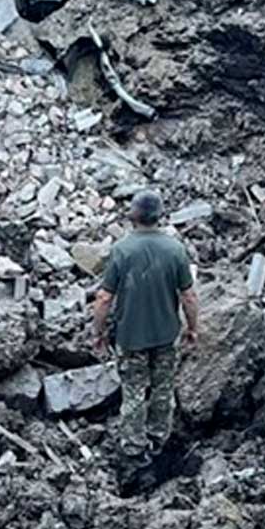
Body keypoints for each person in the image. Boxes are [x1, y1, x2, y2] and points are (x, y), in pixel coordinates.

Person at [91, 189, 200, 462]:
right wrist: (192, 327)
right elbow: (188, 295)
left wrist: (99, 332)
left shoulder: (122, 250)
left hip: (130, 338)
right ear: (159, 215)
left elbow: (104, 298)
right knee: (163, 389)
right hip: (166, 335)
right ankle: (158, 438)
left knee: (134, 393)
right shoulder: (175, 249)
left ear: (133, 215)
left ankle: (133, 447)